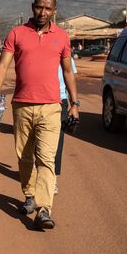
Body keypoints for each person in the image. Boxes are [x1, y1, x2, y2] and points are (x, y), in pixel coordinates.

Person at [0, 0, 79, 230]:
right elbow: (2, 65)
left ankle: (43, 209)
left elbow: (68, 72)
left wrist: (74, 103)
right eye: (39, 7)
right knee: (24, 156)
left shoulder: (61, 37)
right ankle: (29, 194)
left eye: (48, 9)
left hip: (51, 106)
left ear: (54, 11)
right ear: (33, 7)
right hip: (22, 104)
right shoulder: (17, 33)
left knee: (46, 158)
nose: (43, 12)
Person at [54, 57, 77, 194]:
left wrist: (74, 104)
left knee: (57, 141)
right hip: (40, 100)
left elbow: (71, 79)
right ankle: (38, 172)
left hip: (60, 100)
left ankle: (53, 180)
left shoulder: (67, 58)